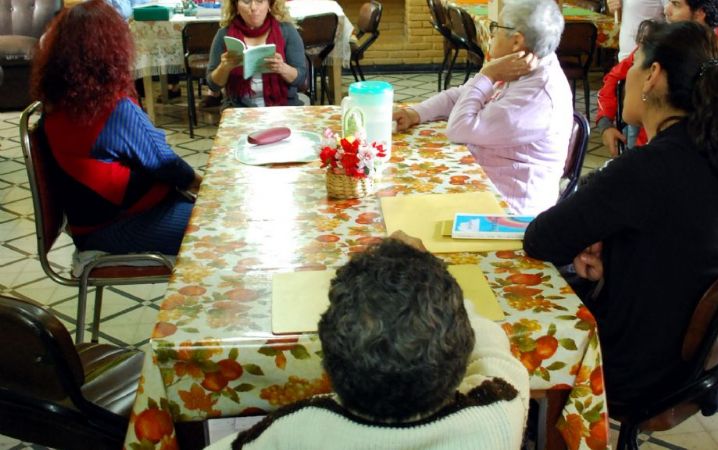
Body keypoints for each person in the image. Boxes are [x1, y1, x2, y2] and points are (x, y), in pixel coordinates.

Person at [523, 21, 718, 408]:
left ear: (652, 76)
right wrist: (617, 260)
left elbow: (540, 239)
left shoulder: (647, 168)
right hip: (706, 366)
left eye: (633, 66)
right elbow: (682, 248)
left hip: (641, 373)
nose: (625, 79)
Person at [208, 233, 531, 449]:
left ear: (327, 357)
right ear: (461, 352)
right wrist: (434, 278)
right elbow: (492, 346)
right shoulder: (499, 412)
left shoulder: (294, 429)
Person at [29, 0, 202, 256]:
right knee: (224, 224)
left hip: (90, 225)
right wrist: (212, 190)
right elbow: (167, 165)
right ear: (113, 49)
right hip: (123, 225)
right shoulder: (113, 108)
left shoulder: (59, 103)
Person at [393, 0, 572, 216]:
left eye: (495, 27)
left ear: (517, 41)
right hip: (481, 181)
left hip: (509, 211)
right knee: (402, 187)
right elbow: (461, 96)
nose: (490, 33)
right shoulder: (522, 63)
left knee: (404, 205)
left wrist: (487, 75)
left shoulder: (537, 95)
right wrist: (415, 113)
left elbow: (459, 129)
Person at [597, 0, 718, 155]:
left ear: (700, 13)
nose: (666, 10)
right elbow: (615, 76)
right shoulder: (662, 43)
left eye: (676, 4)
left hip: (707, 157)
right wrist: (605, 123)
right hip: (652, 149)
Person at [207, 0, 307, 108]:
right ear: (236, 6)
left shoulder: (287, 31)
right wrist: (224, 67)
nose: (253, 7)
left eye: (260, 1)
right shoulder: (224, 34)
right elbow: (213, 85)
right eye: (246, 1)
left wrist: (282, 68)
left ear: (269, 5)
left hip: (282, 106)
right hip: (238, 108)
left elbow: (300, 79)